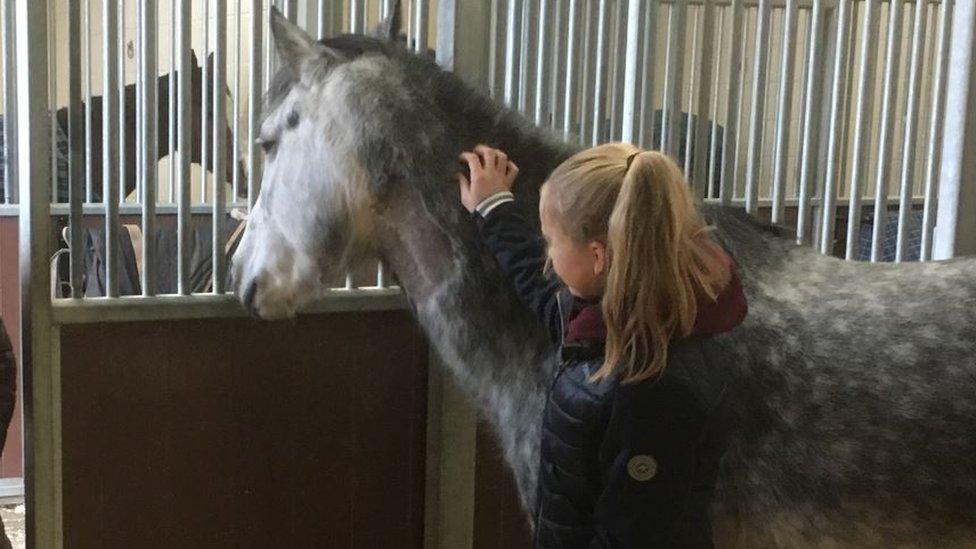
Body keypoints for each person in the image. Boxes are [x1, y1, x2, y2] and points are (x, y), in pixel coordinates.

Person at [458, 143, 748, 547]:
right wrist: (494, 209)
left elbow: (630, 538)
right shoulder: (615, 321)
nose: (546, 258)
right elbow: (544, 294)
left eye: (550, 242)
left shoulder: (654, 388)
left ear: (597, 256)